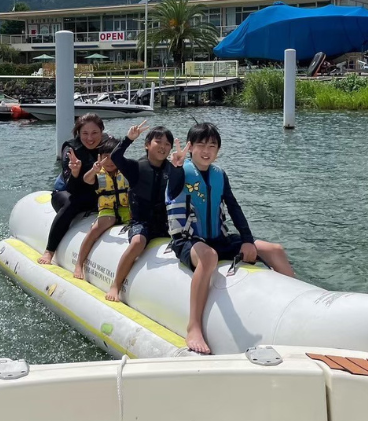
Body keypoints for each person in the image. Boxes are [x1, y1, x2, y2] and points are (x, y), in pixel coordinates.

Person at [165, 122, 295, 354]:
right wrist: (175, 167)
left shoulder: (219, 175)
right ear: (190, 147)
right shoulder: (180, 172)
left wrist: (247, 240)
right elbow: (174, 189)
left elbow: (234, 208)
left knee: (274, 249)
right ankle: (194, 326)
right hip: (188, 241)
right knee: (209, 257)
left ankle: (296, 305)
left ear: (218, 150)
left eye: (212, 146)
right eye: (201, 145)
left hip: (219, 239)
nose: (207, 151)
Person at [105, 121, 183, 302]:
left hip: (165, 224)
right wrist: (128, 139)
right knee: (138, 242)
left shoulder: (172, 169)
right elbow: (116, 157)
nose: (163, 147)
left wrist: (179, 167)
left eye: (167, 144)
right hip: (141, 222)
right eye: (158, 142)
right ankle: (116, 284)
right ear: (147, 145)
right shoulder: (136, 168)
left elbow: (179, 188)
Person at [38, 113, 107, 265]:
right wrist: (75, 172)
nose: (90, 138)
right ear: (78, 133)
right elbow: (72, 189)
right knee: (72, 202)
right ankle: (50, 251)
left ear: (102, 131)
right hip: (67, 193)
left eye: (95, 133)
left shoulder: (107, 145)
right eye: (85, 133)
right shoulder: (71, 149)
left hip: (95, 193)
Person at [74, 137, 130, 279]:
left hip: (126, 209)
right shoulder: (98, 173)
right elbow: (86, 179)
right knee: (95, 230)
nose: (110, 161)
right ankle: (79, 264)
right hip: (108, 210)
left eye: (113, 157)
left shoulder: (126, 170)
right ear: (100, 157)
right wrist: (94, 170)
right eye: (106, 157)